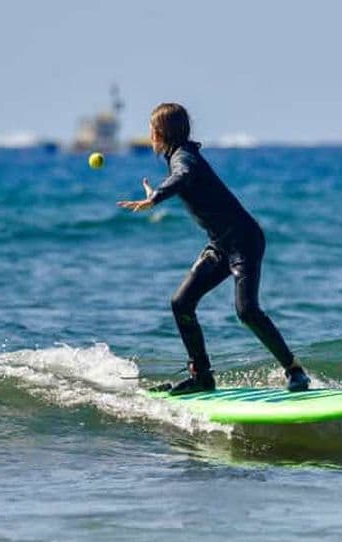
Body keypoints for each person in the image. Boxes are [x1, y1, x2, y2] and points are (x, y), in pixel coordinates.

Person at [118, 103, 310, 395]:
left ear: (160, 133)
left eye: (151, 130)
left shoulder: (184, 158)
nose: (150, 135)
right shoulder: (182, 156)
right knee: (181, 303)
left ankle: (295, 370)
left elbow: (182, 177)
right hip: (220, 246)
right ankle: (202, 376)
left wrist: (155, 198)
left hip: (244, 241)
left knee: (247, 311)